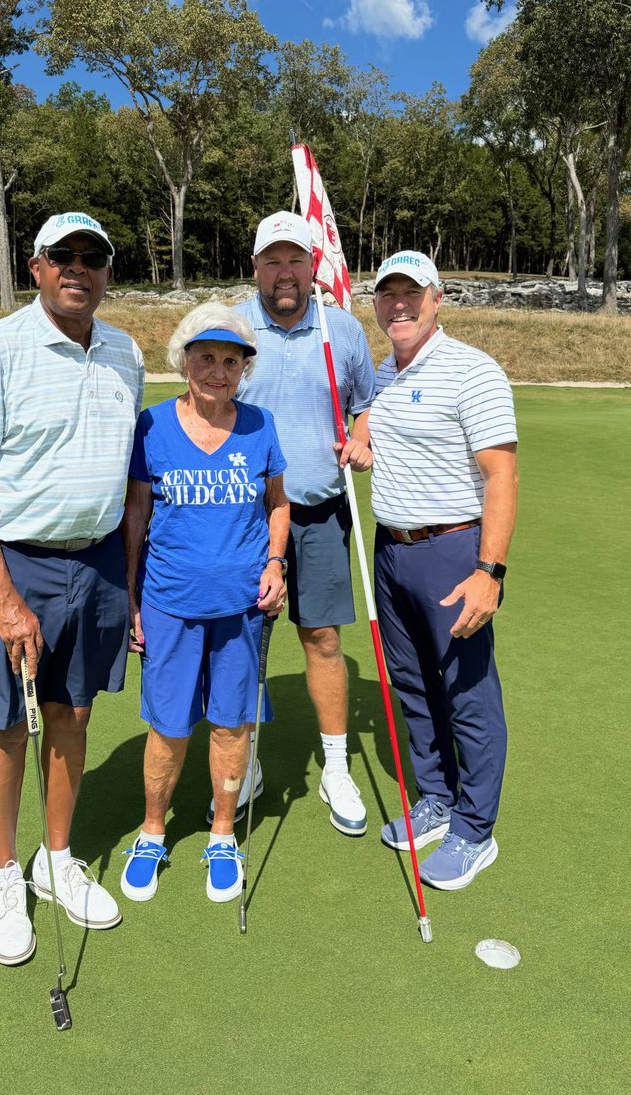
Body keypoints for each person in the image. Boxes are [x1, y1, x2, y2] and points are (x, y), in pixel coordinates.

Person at [0, 211, 144, 964]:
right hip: (16, 560)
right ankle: (3, 875)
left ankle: (55, 859)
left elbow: (128, 485)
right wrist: (1, 593)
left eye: (93, 257)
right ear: (36, 267)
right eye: (64, 256)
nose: (78, 269)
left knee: (74, 713)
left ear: (107, 271)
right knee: (8, 722)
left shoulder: (125, 353)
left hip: (92, 564)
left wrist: (126, 583)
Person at [119, 303, 289, 903]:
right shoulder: (152, 426)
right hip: (168, 602)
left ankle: (221, 833)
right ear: (184, 362)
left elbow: (278, 503)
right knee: (167, 727)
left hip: (242, 605)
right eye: (205, 357)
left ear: (244, 368)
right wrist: (133, 599)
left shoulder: (260, 425)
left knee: (231, 724)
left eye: (230, 360)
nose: (217, 371)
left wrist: (274, 563)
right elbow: (136, 516)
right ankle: (152, 831)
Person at [369, 250, 518, 890]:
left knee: (466, 690)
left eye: (412, 293)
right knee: (411, 682)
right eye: (388, 294)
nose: (399, 304)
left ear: (437, 299)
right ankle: (435, 792)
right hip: (391, 550)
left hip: (453, 550)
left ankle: (474, 828)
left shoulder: (472, 371)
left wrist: (491, 569)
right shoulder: (384, 371)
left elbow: (501, 475)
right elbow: (377, 424)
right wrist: (361, 432)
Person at [228, 211, 376, 836]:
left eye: (295, 260)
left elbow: (367, 401)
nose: (284, 273)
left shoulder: (340, 330)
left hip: (319, 514)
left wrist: (363, 434)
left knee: (322, 640)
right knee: (245, 645)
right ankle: (248, 758)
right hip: (243, 517)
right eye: (272, 261)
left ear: (312, 266)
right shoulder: (233, 327)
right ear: (256, 266)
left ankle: (336, 767)